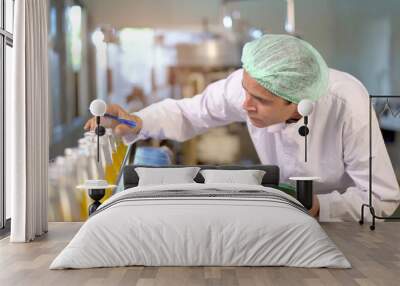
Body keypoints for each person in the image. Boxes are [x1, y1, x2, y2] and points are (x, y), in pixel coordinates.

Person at [85, 34, 400, 221]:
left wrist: (320, 206)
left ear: (298, 102)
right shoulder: (245, 87)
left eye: (260, 100)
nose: (245, 104)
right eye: (246, 91)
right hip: (284, 216)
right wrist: (137, 120)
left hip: (342, 226)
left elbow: (382, 198)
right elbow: (189, 113)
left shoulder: (348, 104)